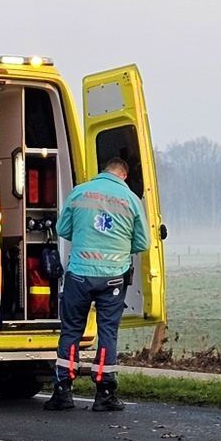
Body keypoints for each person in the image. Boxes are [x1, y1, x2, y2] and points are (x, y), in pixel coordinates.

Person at [50, 156, 151, 412]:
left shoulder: (79, 193)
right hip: (113, 278)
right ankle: (104, 393)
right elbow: (142, 243)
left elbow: (63, 229)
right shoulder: (131, 200)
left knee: (71, 330)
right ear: (124, 175)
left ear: (103, 172)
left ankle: (63, 392)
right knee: (108, 332)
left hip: (79, 275)